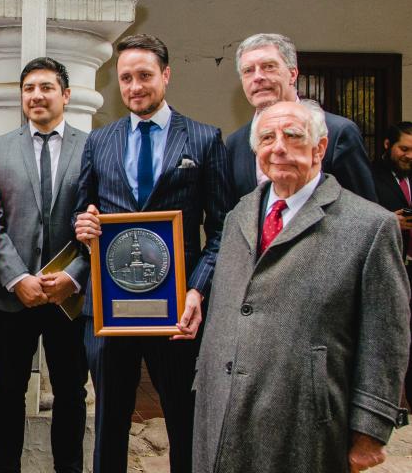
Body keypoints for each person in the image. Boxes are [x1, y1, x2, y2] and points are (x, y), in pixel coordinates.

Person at [193, 100, 410, 473]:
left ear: (319, 148)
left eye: (292, 136)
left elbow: (386, 338)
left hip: (308, 423)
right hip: (221, 412)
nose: (278, 147)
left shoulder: (369, 227)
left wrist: (370, 430)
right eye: (267, 137)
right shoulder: (238, 216)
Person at [73, 34, 234, 473]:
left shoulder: (203, 139)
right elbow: (81, 211)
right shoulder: (99, 141)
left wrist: (198, 291)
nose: (135, 86)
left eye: (144, 75)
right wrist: (82, 224)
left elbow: (221, 229)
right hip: (110, 308)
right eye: (125, 78)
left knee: (184, 419)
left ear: (166, 75)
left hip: (178, 308)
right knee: (108, 419)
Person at [0, 57, 89, 473]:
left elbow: (98, 219)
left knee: (70, 392)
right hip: (17, 296)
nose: (36, 95)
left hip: (69, 297)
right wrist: (16, 278)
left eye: (46, 87)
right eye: (28, 88)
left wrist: (73, 276)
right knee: (8, 389)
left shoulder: (91, 146)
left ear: (65, 95)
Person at [227, 33, 376, 201]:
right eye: (248, 71)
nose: (258, 77)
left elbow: (365, 214)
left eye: (269, 66)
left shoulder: (337, 132)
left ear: (293, 74)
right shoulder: (236, 142)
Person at [371, 120, 412, 408]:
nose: (409, 155)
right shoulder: (370, 176)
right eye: (404, 149)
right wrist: (389, 220)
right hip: (389, 267)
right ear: (388, 146)